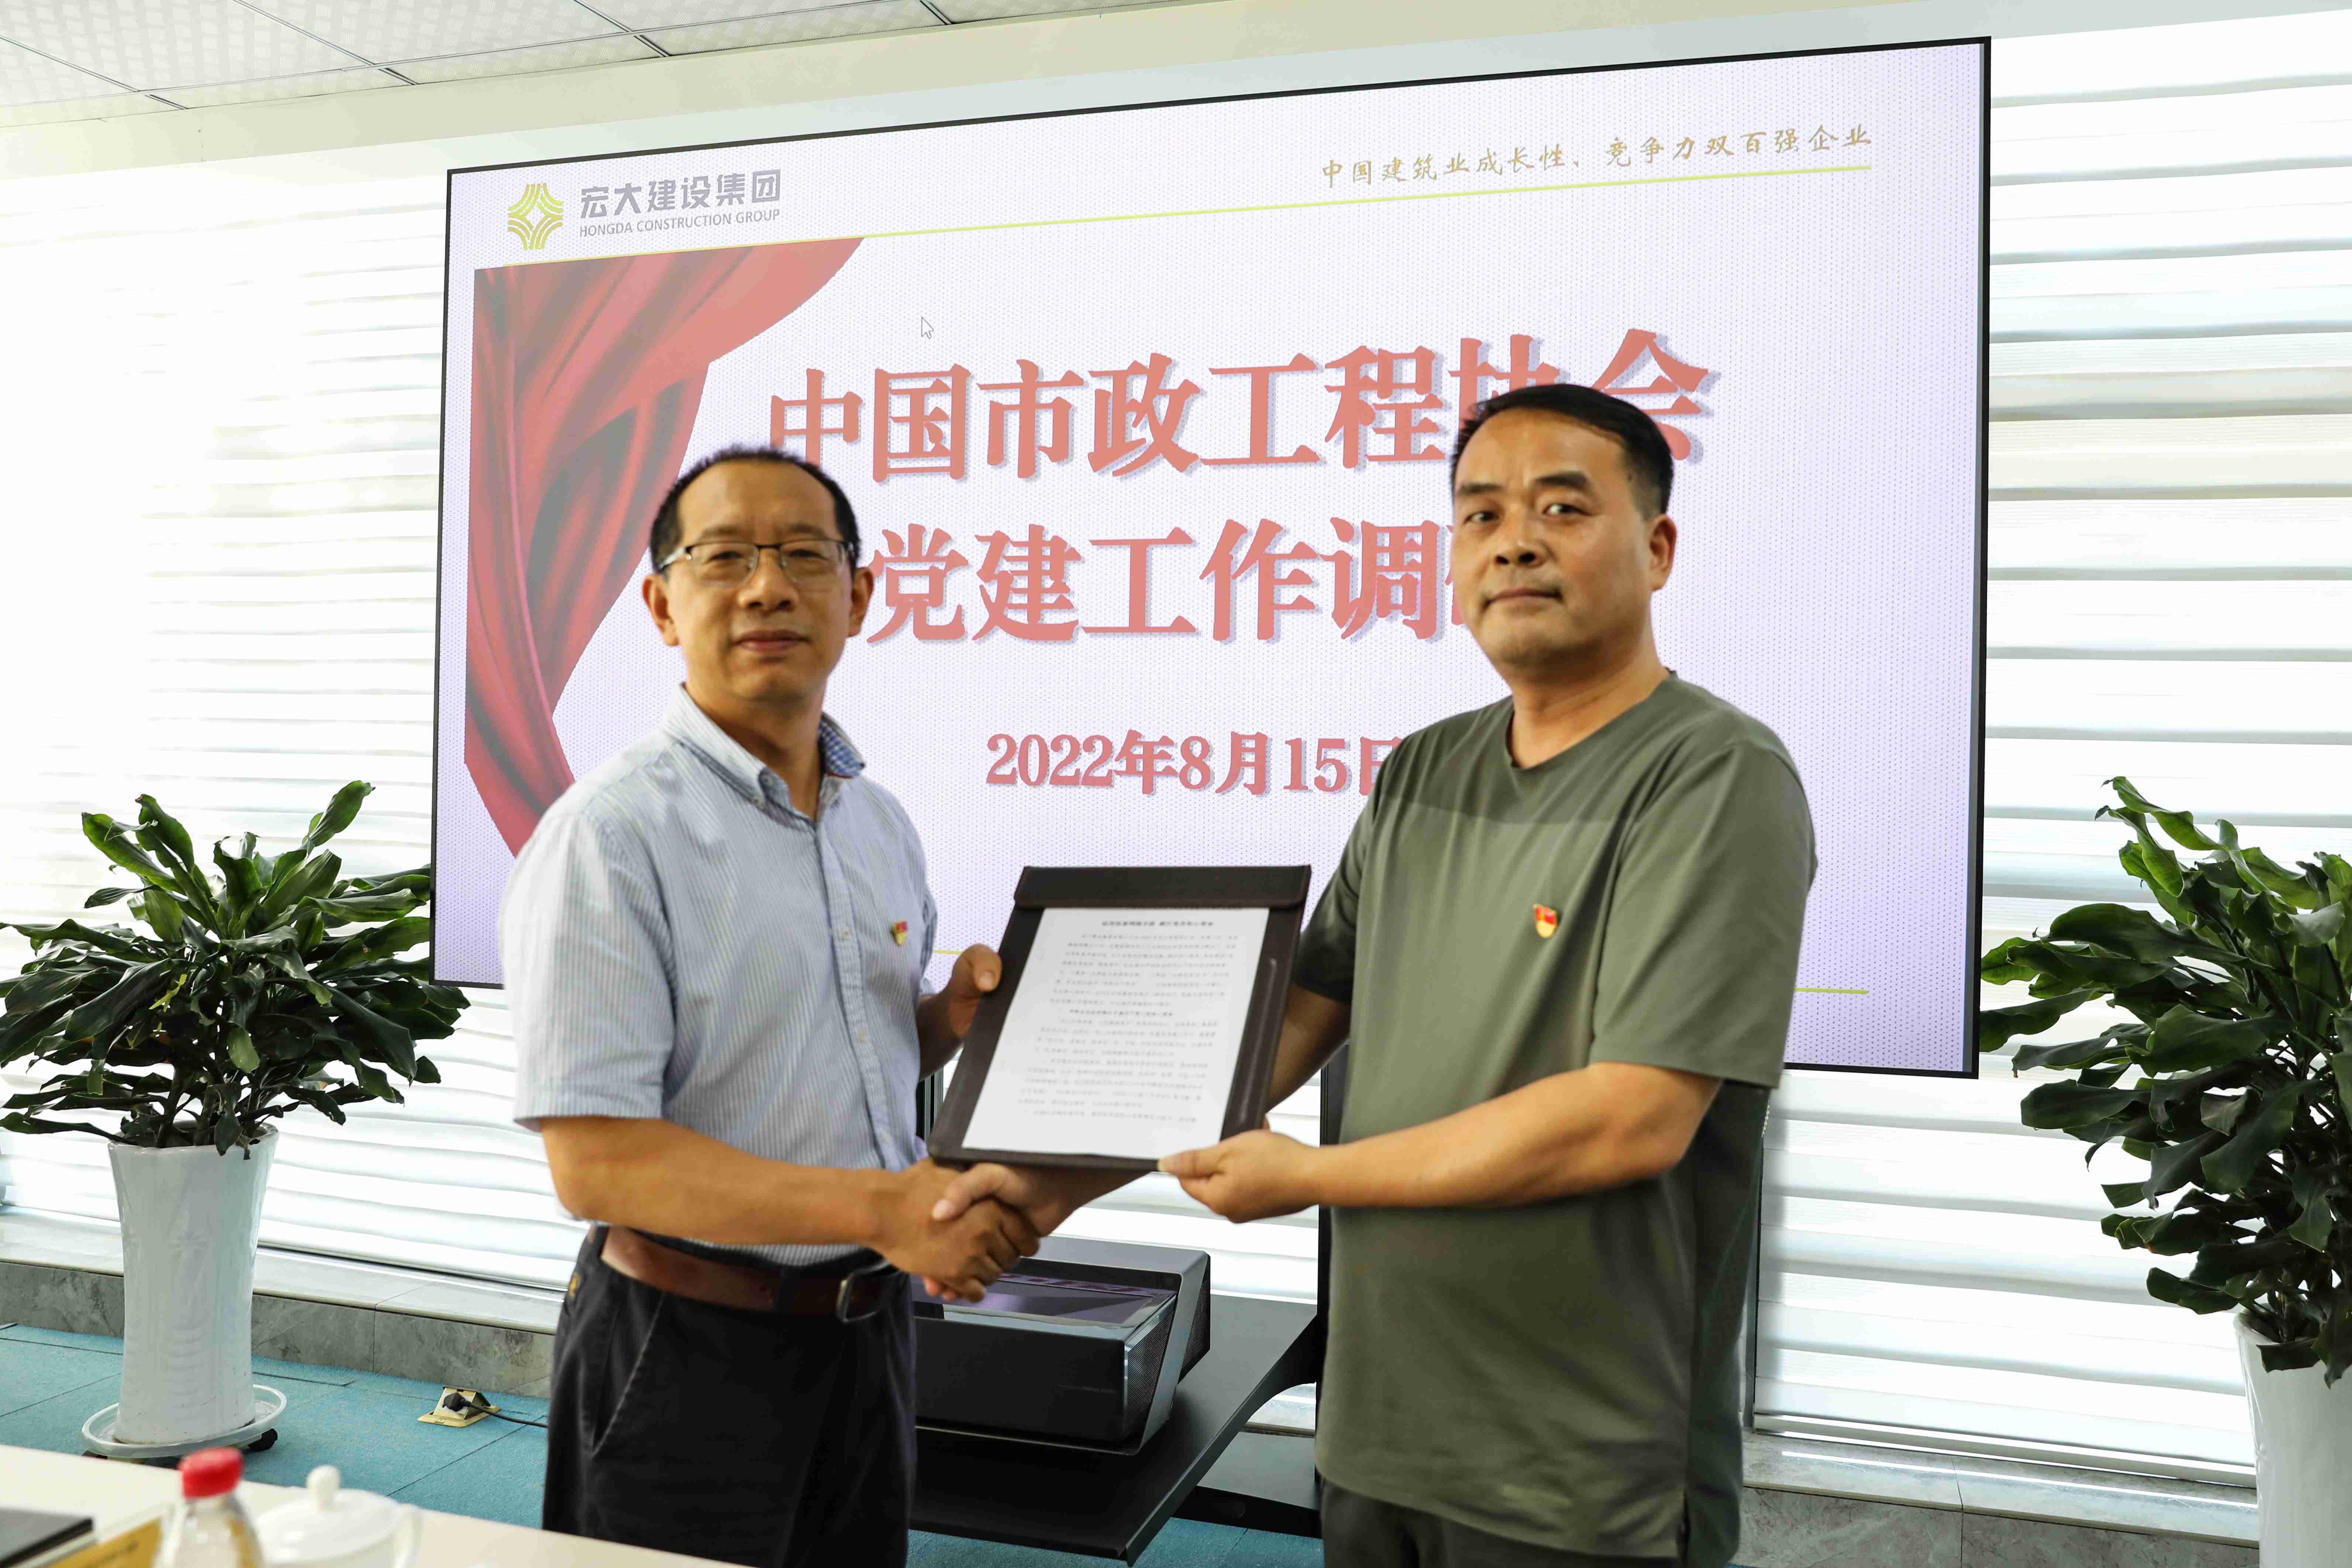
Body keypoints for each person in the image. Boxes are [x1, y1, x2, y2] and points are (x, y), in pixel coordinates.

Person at [1087, 383, 1811, 1567]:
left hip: (1580, 1466)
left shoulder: (1712, 774)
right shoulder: (1423, 770)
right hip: (1376, 1432)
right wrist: (1037, 1177)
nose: (1513, 542)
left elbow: (1629, 1120)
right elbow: (1290, 1021)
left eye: (1561, 508)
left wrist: (1311, 1175)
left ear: (1657, 547)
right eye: (1480, 515)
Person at [501, 444, 1053, 1568]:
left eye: (805, 555)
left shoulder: (877, 823)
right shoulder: (611, 835)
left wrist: (949, 1020)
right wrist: (882, 1206)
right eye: (724, 558)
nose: (767, 588)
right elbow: (596, 1163)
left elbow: (847, 1053)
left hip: (869, 1336)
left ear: (860, 595)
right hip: (682, 1345)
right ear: (663, 606)